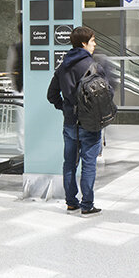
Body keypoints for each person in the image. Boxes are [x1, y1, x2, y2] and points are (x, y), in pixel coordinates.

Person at [47, 27, 104, 214]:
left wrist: (65, 107)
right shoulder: (92, 66)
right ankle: (87, 205)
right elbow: (105, 95)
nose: (95, 44)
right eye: (93, 40)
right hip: (89, 123)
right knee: (88, 163)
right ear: (83, 43)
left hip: (70, 122)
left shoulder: (63, 66)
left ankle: (71, 202)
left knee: (69, 162)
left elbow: (51, 94)